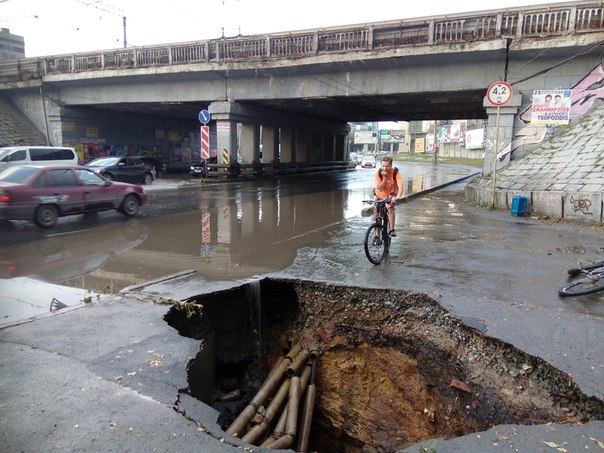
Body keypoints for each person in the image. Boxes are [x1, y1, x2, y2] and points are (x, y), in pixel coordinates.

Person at [373, 156, 404, 237]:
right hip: (379, 194)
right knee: (376, 213)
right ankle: (377, 235)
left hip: (391, 194)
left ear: (391, 165)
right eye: (383, 166)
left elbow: (400, 185)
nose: (385, 168)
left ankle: (392, 229)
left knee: (389, 207)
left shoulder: (395, 172)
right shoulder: (378, 173)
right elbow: (380, 188)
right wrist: (385, 178)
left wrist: (398, 196)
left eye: (387, 166)